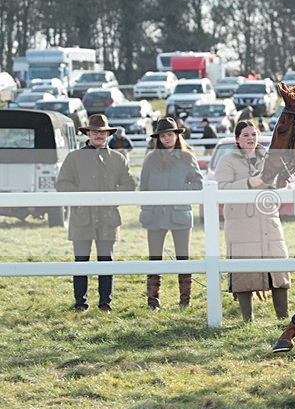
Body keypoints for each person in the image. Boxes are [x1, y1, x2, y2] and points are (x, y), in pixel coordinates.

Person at [55, 114, 138, 312]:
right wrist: (83, 196)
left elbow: (129, 185)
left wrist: (111, 198)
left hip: (107, 217)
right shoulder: (74, 157)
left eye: (102, 132)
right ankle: (80, 303)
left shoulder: (118, 159)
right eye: (95, 132)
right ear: (88, 134)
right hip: (82, 216)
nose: (99, 135)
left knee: (106, 261)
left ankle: (105, 303)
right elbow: (62, 184)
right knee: (81, 261)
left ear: (108, 134)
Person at [215, 120, 290, 321]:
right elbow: (222, 190)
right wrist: (251, 182)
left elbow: (279, 186)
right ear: (237, 138)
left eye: (253, 134)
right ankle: (247, 319)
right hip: (241, 224)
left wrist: (281, 180)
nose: (250, 138)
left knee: (278, 269)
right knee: (244, 272)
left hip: (268, 221)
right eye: (246, 135)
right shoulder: (227, 160)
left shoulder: (268, 157)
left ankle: (283, 318)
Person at [138, 117, 203, 310]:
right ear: (158, 138)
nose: (166, 139)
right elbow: (144, 187)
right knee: (154, 257)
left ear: (176, 135)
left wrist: (179, 191)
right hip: (155, 214)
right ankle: (153, 300)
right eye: (163, 135)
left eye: (170, 135)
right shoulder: (151, 158)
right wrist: (147, 208)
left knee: (183, 257)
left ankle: (185, 300)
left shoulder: (187, 157)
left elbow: (198, 184)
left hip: (179, 213)